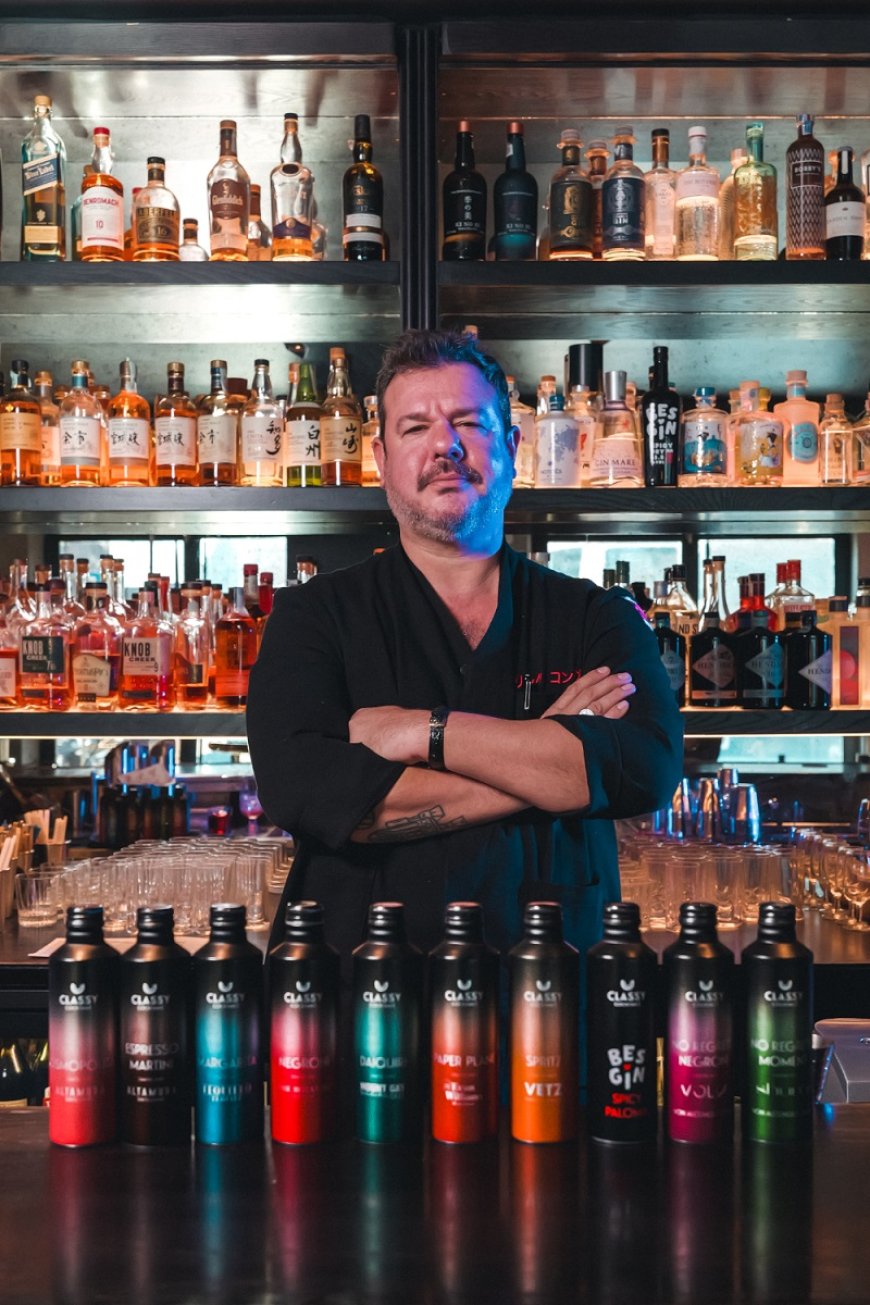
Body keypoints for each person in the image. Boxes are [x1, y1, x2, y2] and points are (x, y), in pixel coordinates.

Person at [248, 329, 683, 968]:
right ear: (381, 459)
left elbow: (643, 770)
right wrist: (550, 762)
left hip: (555, 977)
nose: (444, 445)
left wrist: (420, 732)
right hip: (358, 981)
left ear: (511, 446)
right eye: (415, 427)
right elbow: (305, 792)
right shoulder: (313, 617)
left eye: (470, 423)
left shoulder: (595, 616)